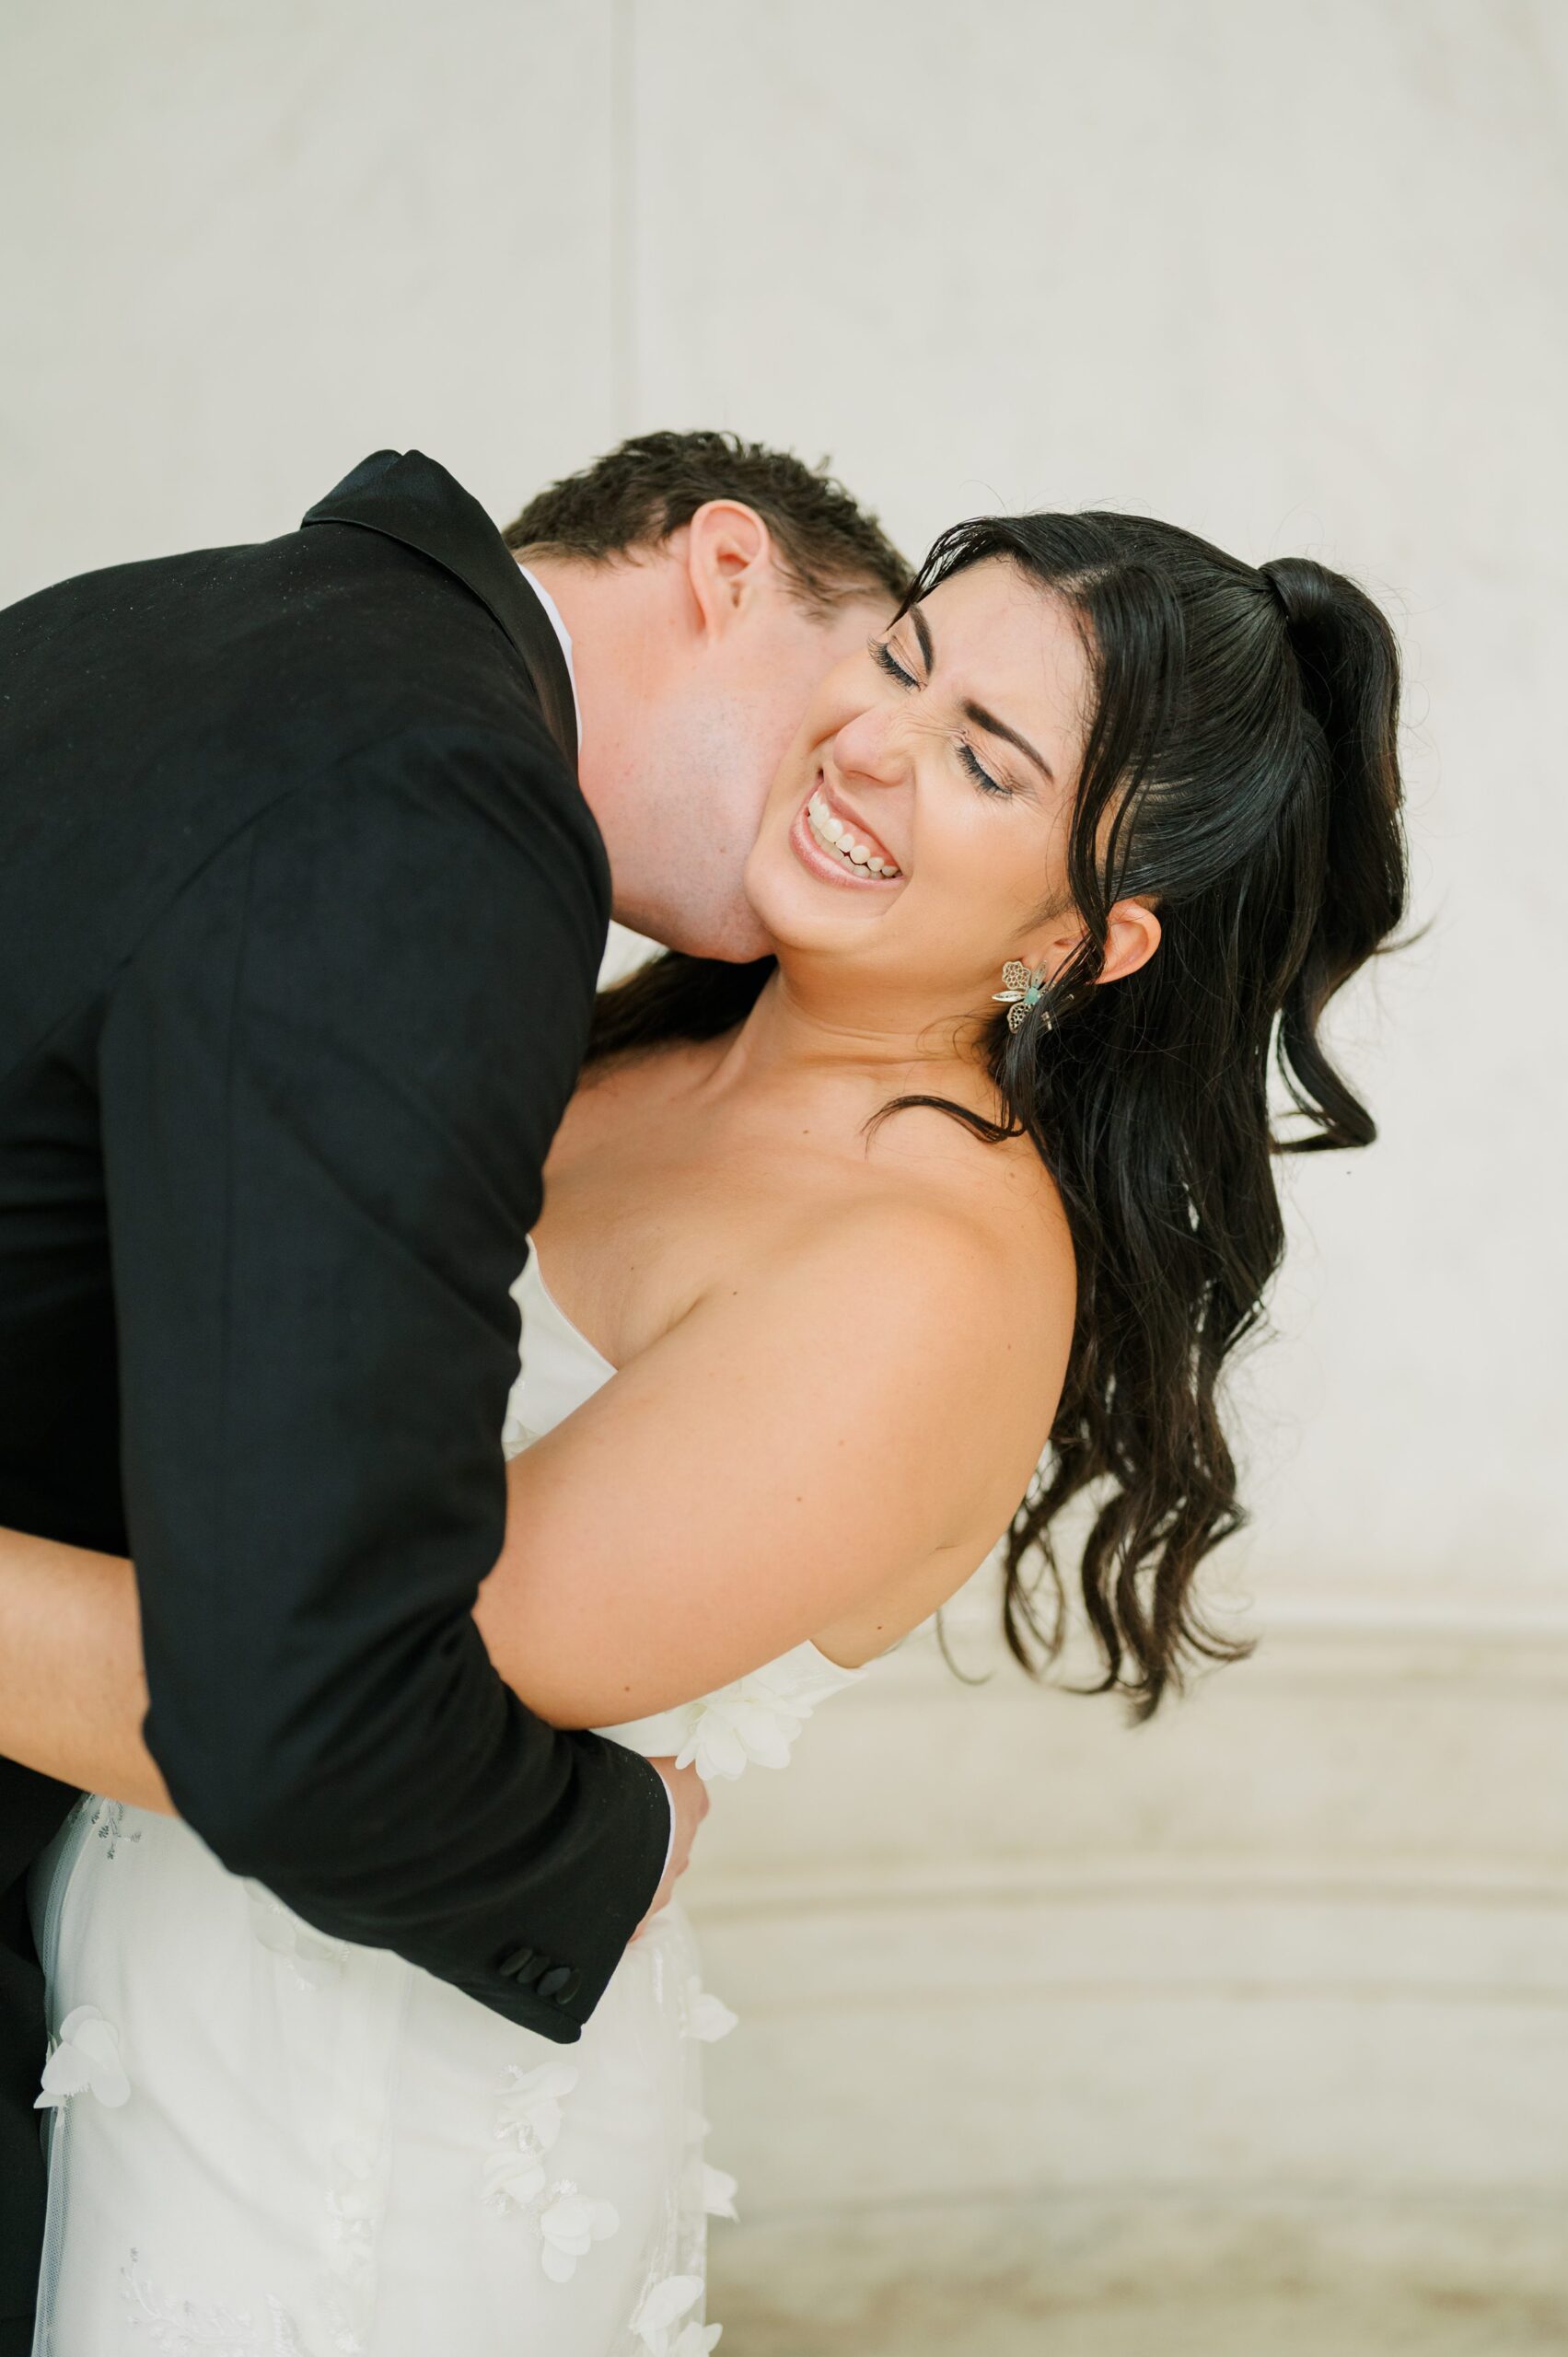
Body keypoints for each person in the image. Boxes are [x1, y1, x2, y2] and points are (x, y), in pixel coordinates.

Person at [0, 503, 1408, 2354]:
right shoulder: (629, 1036)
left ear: (1084, 936)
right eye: (904, 658)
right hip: (124, 1978)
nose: (876, 740)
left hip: (356, 2121)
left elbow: (322, 1708)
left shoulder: (921, 1273)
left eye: (983, 758)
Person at [0, 431, 907, 2357]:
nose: (858, 792)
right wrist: (604, 1853)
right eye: (861, 703)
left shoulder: (150, 625)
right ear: (725, 567)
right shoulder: (444, 796)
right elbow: (300, 1701)